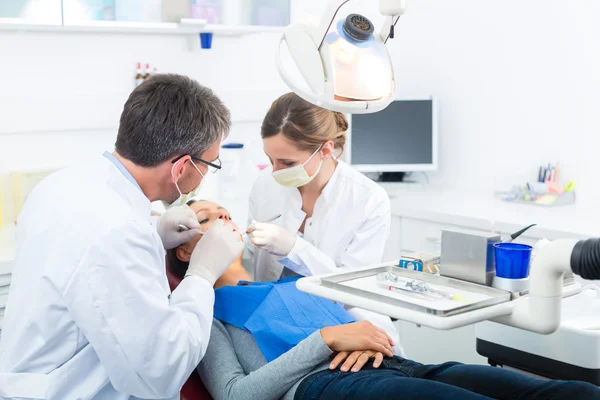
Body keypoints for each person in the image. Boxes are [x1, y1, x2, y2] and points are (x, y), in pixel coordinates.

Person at [0, 74, 243, 400]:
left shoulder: (63, 184)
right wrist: (202, 274)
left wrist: (155, 234)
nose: (207, 172)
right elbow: (161, 372)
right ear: (182, 165)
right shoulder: (119, 232)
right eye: (209, 164)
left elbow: (84, 265)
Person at [165, 229, 600, 400]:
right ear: (186, 249)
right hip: (324, 385)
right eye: (208, 219)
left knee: (566, 393)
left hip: (400, 365)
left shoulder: (291, 280)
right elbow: (234, 395)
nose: (225, 222)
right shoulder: (203, 312)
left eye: (227, 215)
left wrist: (369, 332)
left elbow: (366, 320)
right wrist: (327, 340)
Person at [246, 92, 402, 353]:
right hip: (275, 320)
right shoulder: (265, 186)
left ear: (326, 150)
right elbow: (249, 259)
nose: (275, 171)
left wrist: (295, 250)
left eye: (287, 162)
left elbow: (352, 288)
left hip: (347, 324)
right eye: (270, 159)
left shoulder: (368, 199)